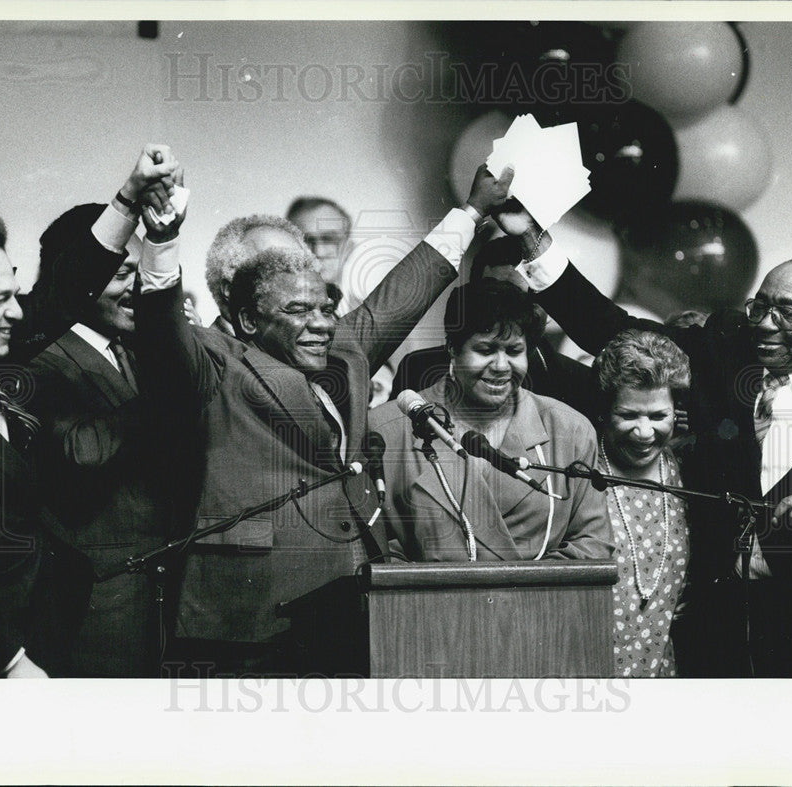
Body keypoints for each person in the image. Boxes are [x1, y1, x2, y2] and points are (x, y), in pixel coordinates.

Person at [134, 164, 515, 675]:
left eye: (321, 303)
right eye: (280, 276)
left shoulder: (336, 346)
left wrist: (472, 211)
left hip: (348, 597)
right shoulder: (208, 357)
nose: (317, 317)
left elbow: (402, 295)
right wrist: (161, 241)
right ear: (240, 300)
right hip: (248, 617)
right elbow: (160, 335)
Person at [508, 208, 792, 677]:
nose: (765, 324)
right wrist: (527, 235)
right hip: (711, 630)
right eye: (759, 306)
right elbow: (609, 328)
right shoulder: (726, 348)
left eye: (787, 312)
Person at [0, 146, 176, 678]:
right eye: (0, 299)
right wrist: (9, 661)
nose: (20, 311)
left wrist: (129, 195)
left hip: (47, 637)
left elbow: (65, 291)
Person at [26, 177, 190, 677]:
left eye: (140, 274)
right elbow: (83, 451)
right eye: (121, 274)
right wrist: (170, 391)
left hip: (169, 600)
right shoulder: (36, 359)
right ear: (79, 280)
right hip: (97, 610)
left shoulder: (139, 349)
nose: (136, 289)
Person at [370, 278, 613, 562]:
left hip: (540, 604)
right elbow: (374, 555)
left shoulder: (571, 431)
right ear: (452, 349)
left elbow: (593, 546)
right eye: (485, 350)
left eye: (514, 351)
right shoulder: (385, 431)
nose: (500, 367)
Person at [391, 235, 600, 423]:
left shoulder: (578, 383)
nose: (508, 312)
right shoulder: (419, 368)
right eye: (493, 297)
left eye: (524, 299)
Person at [592, 330, 691, 678]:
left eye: (658, 416)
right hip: (590, 675)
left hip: (661, 675)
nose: (644, 432)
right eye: (629, 415)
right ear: (604, 411)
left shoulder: (686, 470)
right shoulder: (581, 470)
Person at [204, 213, 307, 336]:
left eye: (301, 266)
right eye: (274, 270)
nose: (298, 282)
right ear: (230, 290)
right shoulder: (205, 352)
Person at [286, 195, 352, 287]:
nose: (318, 252)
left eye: (329, 239)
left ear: (349, 248)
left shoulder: (368, 300)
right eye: (305, 240)